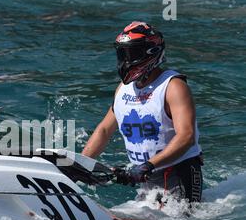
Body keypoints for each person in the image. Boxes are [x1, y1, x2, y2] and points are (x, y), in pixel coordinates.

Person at [82, 21, 203, 205]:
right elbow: (104, 130)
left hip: (178, 174)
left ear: (151, 53)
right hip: (147, 180)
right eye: (123, 54)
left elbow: (186, 136)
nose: (126, 60)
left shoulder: (173, 86)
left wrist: (148, 166)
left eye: (132, 53)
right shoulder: (123, 89)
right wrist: (81, 165)